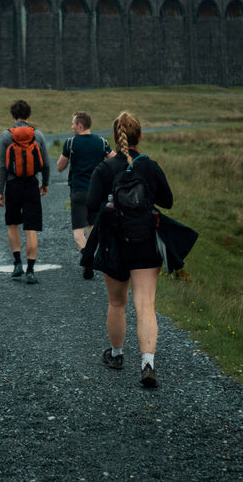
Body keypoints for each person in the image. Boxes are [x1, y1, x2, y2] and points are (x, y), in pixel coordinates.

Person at [84, 111, 173, 388]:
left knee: (117, 303)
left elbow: (90, 207)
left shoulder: (105, 169)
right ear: (140, 136)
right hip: (146, 241)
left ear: (114, 137)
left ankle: (117, 355)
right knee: (145, 305)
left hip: (113, 244)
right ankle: (147, 363)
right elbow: (168, 201)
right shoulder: (150, 166)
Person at [0, 99, 50, 285]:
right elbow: (46, 164)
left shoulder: (5, 136)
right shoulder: (38, 135)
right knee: (31, 228)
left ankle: (17, 263)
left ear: (12, 115)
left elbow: (2, 166)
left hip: (12, 185)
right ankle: (31, 270)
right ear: (29, 115)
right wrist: (45, 183)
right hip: (31, 185)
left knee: (12, 224)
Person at [56, 111, 114, 279]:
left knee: (77, 233)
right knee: (92, 229)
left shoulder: (71, 143)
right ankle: (90, 258)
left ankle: (86, 258)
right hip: (97, 193)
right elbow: (114, 160)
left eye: (73, 124)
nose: (71, 126)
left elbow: (60, 167)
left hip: (78, 192)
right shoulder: (102, 143)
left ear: (80, 125)